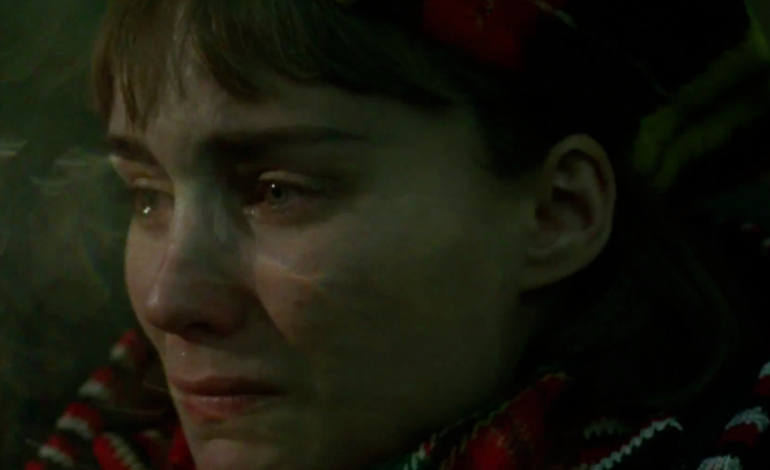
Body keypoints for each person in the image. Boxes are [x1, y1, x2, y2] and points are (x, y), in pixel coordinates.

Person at [23, 0, 770, 469]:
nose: (167, 301)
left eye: (277, 191)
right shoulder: (119, 441)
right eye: (147, 196)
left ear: (557, 213)